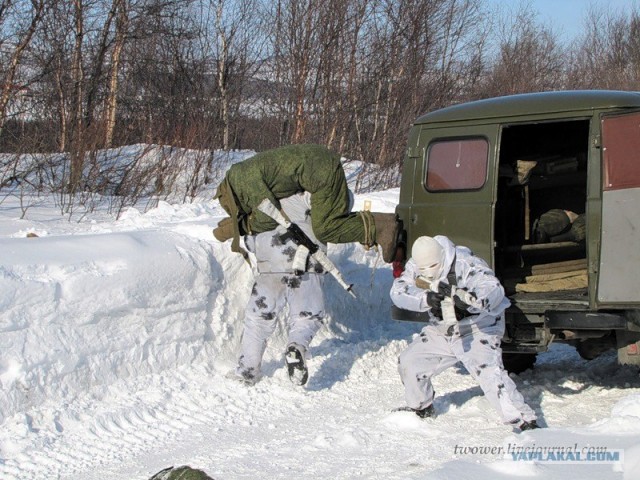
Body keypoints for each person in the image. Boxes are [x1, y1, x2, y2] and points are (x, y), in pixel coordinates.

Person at [390, 235, 539, 431]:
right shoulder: (416, 265)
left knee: (490, 374)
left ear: (442, 255)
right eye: (423, 269)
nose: (427, 272)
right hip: (442, 329)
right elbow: (398, 292)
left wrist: (471, 303)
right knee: (410, 362)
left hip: (478, 327)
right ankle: (421, 407)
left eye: (433, 266)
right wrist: (426, 299)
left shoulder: (465, 262)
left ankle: (524, 422)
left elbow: (493, 289)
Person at [212, 144, 398, 263]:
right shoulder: (240, 175)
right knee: (328, 219)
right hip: (318, 166)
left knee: (326, 228)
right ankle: (377, 225)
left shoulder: (244, 181)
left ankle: (383, 227)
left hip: (321, 174)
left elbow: (270, 215)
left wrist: (243, 226)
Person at [232, 191, 328, 386]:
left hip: (269, 265)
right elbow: (336, 207)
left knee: (258, 319)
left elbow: (249, 239)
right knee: (306, 317)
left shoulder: (259, 196)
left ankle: (247, 371)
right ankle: (296, 347)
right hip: (307, 265)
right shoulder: (310, 192)